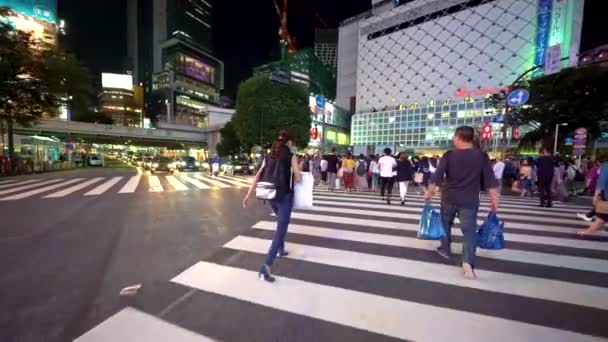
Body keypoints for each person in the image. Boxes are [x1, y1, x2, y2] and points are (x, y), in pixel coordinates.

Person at [425, 126, 499, 280]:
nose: (453, 139)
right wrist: (494, 200)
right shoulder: (482, 156)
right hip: (470, 200)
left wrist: (429, 194)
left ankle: (445, 249)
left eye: (454, 137)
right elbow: (490, 180)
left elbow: (437, 177)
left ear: (459, 137)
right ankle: (467, 264)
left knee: (445, 224)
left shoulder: (449, 155)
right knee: (469, 232)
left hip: (449, 197)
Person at [242, 129, 302, 282]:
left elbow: (258, 175)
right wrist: (298, 167)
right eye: (292, 143)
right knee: (281, 230)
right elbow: (299, 179)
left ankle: (281, 249)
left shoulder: (269, 156)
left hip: (270, 196)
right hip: (284, 197)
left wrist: (248, 194)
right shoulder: (291, 156)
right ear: (289, 142)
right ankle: (266, 266)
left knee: (280, 222)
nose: (293, 145)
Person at [577, 156, 608, 236]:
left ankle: (585, 231)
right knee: (602, 219)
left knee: (602, 218)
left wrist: (595, 196)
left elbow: (601, 183)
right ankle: (586, 231)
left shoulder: (605, 167)